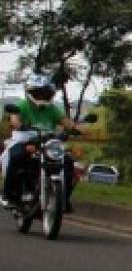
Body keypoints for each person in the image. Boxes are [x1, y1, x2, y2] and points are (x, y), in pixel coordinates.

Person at [2, 73, 83, 212]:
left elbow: (65, 121)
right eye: (38, 93)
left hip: (48, 141)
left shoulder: (52, 109)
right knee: (16, 157)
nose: (42, 96)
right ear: (30, 92)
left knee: (68, 162)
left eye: (45, 93)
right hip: (25, 139)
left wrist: (75, 128)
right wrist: (19, 125)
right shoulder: (23, 104)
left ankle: (63, 199)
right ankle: (8, 195)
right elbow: (15, 119)